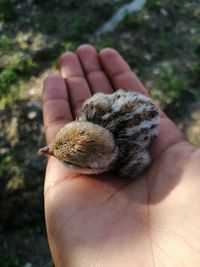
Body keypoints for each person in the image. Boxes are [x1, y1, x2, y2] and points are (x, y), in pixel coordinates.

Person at [42, 44, 200, 266]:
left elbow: (140, 161)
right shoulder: (93, 108)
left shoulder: (126, 162)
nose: (49, 151)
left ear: (96, 166)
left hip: (142, 116)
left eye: (67, 160)